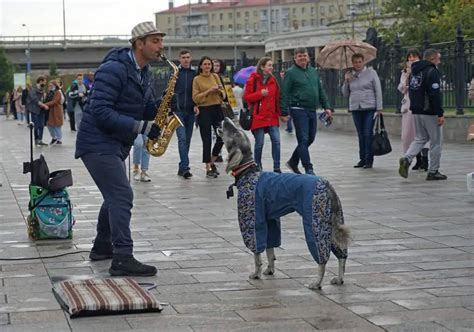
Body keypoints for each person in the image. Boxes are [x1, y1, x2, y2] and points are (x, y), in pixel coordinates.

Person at [75, 21, 164, 276]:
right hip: (96, 142)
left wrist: (161, 108)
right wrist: (141, 127)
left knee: (114, 195)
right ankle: (122, 257)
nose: (161, 46)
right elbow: (100, 111)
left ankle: (103, 247)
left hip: (114, 143)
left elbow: (141, 106)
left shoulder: (143, 71)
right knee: (122, 196)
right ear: (139, 44)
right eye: (155, 41)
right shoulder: (113, 69)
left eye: (161, 41)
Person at [280, 47, 332, 175]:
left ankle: (293, 161)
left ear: (308, 57)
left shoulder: (313, 71)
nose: (302, 58)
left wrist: (327, 107)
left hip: (311, 109)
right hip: (298, 109)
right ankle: (308, 168)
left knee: (310, 138)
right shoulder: (291, 73)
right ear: (295, 58)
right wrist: (284, 112)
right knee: (303, 139)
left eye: (304, 55)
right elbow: (284, 93)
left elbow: (320, 90)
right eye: (299, 56)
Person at [399, 48, 447, 181]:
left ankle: (407, 158)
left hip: (416, 110)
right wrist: (440, 113)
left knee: (420, 138)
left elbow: (412, 91)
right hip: (430, 111)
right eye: (438, 58)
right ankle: (433, 171)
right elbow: (434, 94)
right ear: (432, 59)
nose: (439, 61)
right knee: (436, 141)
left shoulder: (415, 72)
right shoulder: (432, 71)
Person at [342, 53, 383, 169]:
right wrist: (346, 81)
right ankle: (362, 159)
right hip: (356, 108)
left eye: (360, 61)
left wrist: (379, 107)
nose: (358, 64)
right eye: (355, 62)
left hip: (369, 107)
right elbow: (345, 94)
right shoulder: (350, 75)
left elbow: (378, 90)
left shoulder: (371, 73)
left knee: (367, 133)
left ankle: (369, 160)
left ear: (363, 62)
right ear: (352, 63)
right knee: (360, 134)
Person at [243, 56, 284, 172]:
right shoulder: (253, 80)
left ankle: (277, 167)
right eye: (269, 65)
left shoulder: (273, 80)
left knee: (276, 141)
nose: (271, 67)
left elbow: (277, 98)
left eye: (272, 65)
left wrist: (282, 114)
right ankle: (257, 165)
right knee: (259, 143)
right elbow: (247, 97)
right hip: (258, 117)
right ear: (262, 67)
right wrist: (260, 94)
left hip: (272, 117)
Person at [192, 56, 225, 178]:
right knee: (206, 140)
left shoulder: (215, 76)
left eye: (209, 64)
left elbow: (224, 94)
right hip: (204, 110)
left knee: (222, 137)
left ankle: (212, 161)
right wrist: (208, 92)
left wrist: (219, 91)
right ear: (201, 66)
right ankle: (208, 168)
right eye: (205, 64)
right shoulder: (197, 79)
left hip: (217, 109)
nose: (207, 67)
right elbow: (195, 98)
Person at [398, 48, 429, 171]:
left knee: (422, 133)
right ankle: (416, 159)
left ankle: (425, 160)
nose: (411, 59)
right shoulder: (405, 72)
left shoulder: (424, 70)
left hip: (421, 104)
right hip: (408, 106)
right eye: (409, 57)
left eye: (414, 57)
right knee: (408, 134)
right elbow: (401, 88)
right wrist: (406, 76)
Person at [173, 49, 197, 179]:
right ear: (179, 59)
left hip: (191, 111)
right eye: (183, 57)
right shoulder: (175, 73)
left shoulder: (195, 73)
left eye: (188, 57)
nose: (186, 59)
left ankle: (182, 166)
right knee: (182, 139)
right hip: (178, 111)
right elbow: (170, 91)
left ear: (191, 58)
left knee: (187, 140)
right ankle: (185, 168)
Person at [27, 76, 49, 146]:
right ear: (40, 81)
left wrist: (44, 96)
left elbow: (43, 99)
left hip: (41, 111)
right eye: (44, 82)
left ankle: (40, 140)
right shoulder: (33, 89)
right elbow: (35, 100)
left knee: (41, 125)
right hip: (35, 110)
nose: (45, 83)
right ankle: (36, 140)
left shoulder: (42, 90)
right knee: (36, 126)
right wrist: (44, 105)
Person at [44, 80, 64, 145]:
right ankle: (54, 137)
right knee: (49, 125)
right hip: (50, 111)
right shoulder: (49, 92)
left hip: (56, 111)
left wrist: (45, 104)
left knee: (57, 125)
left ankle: (59, 139)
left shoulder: (58, 92)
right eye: (49, 85)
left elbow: (55, 101)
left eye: (51, 85)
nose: (50, 86)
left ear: (55, 85)